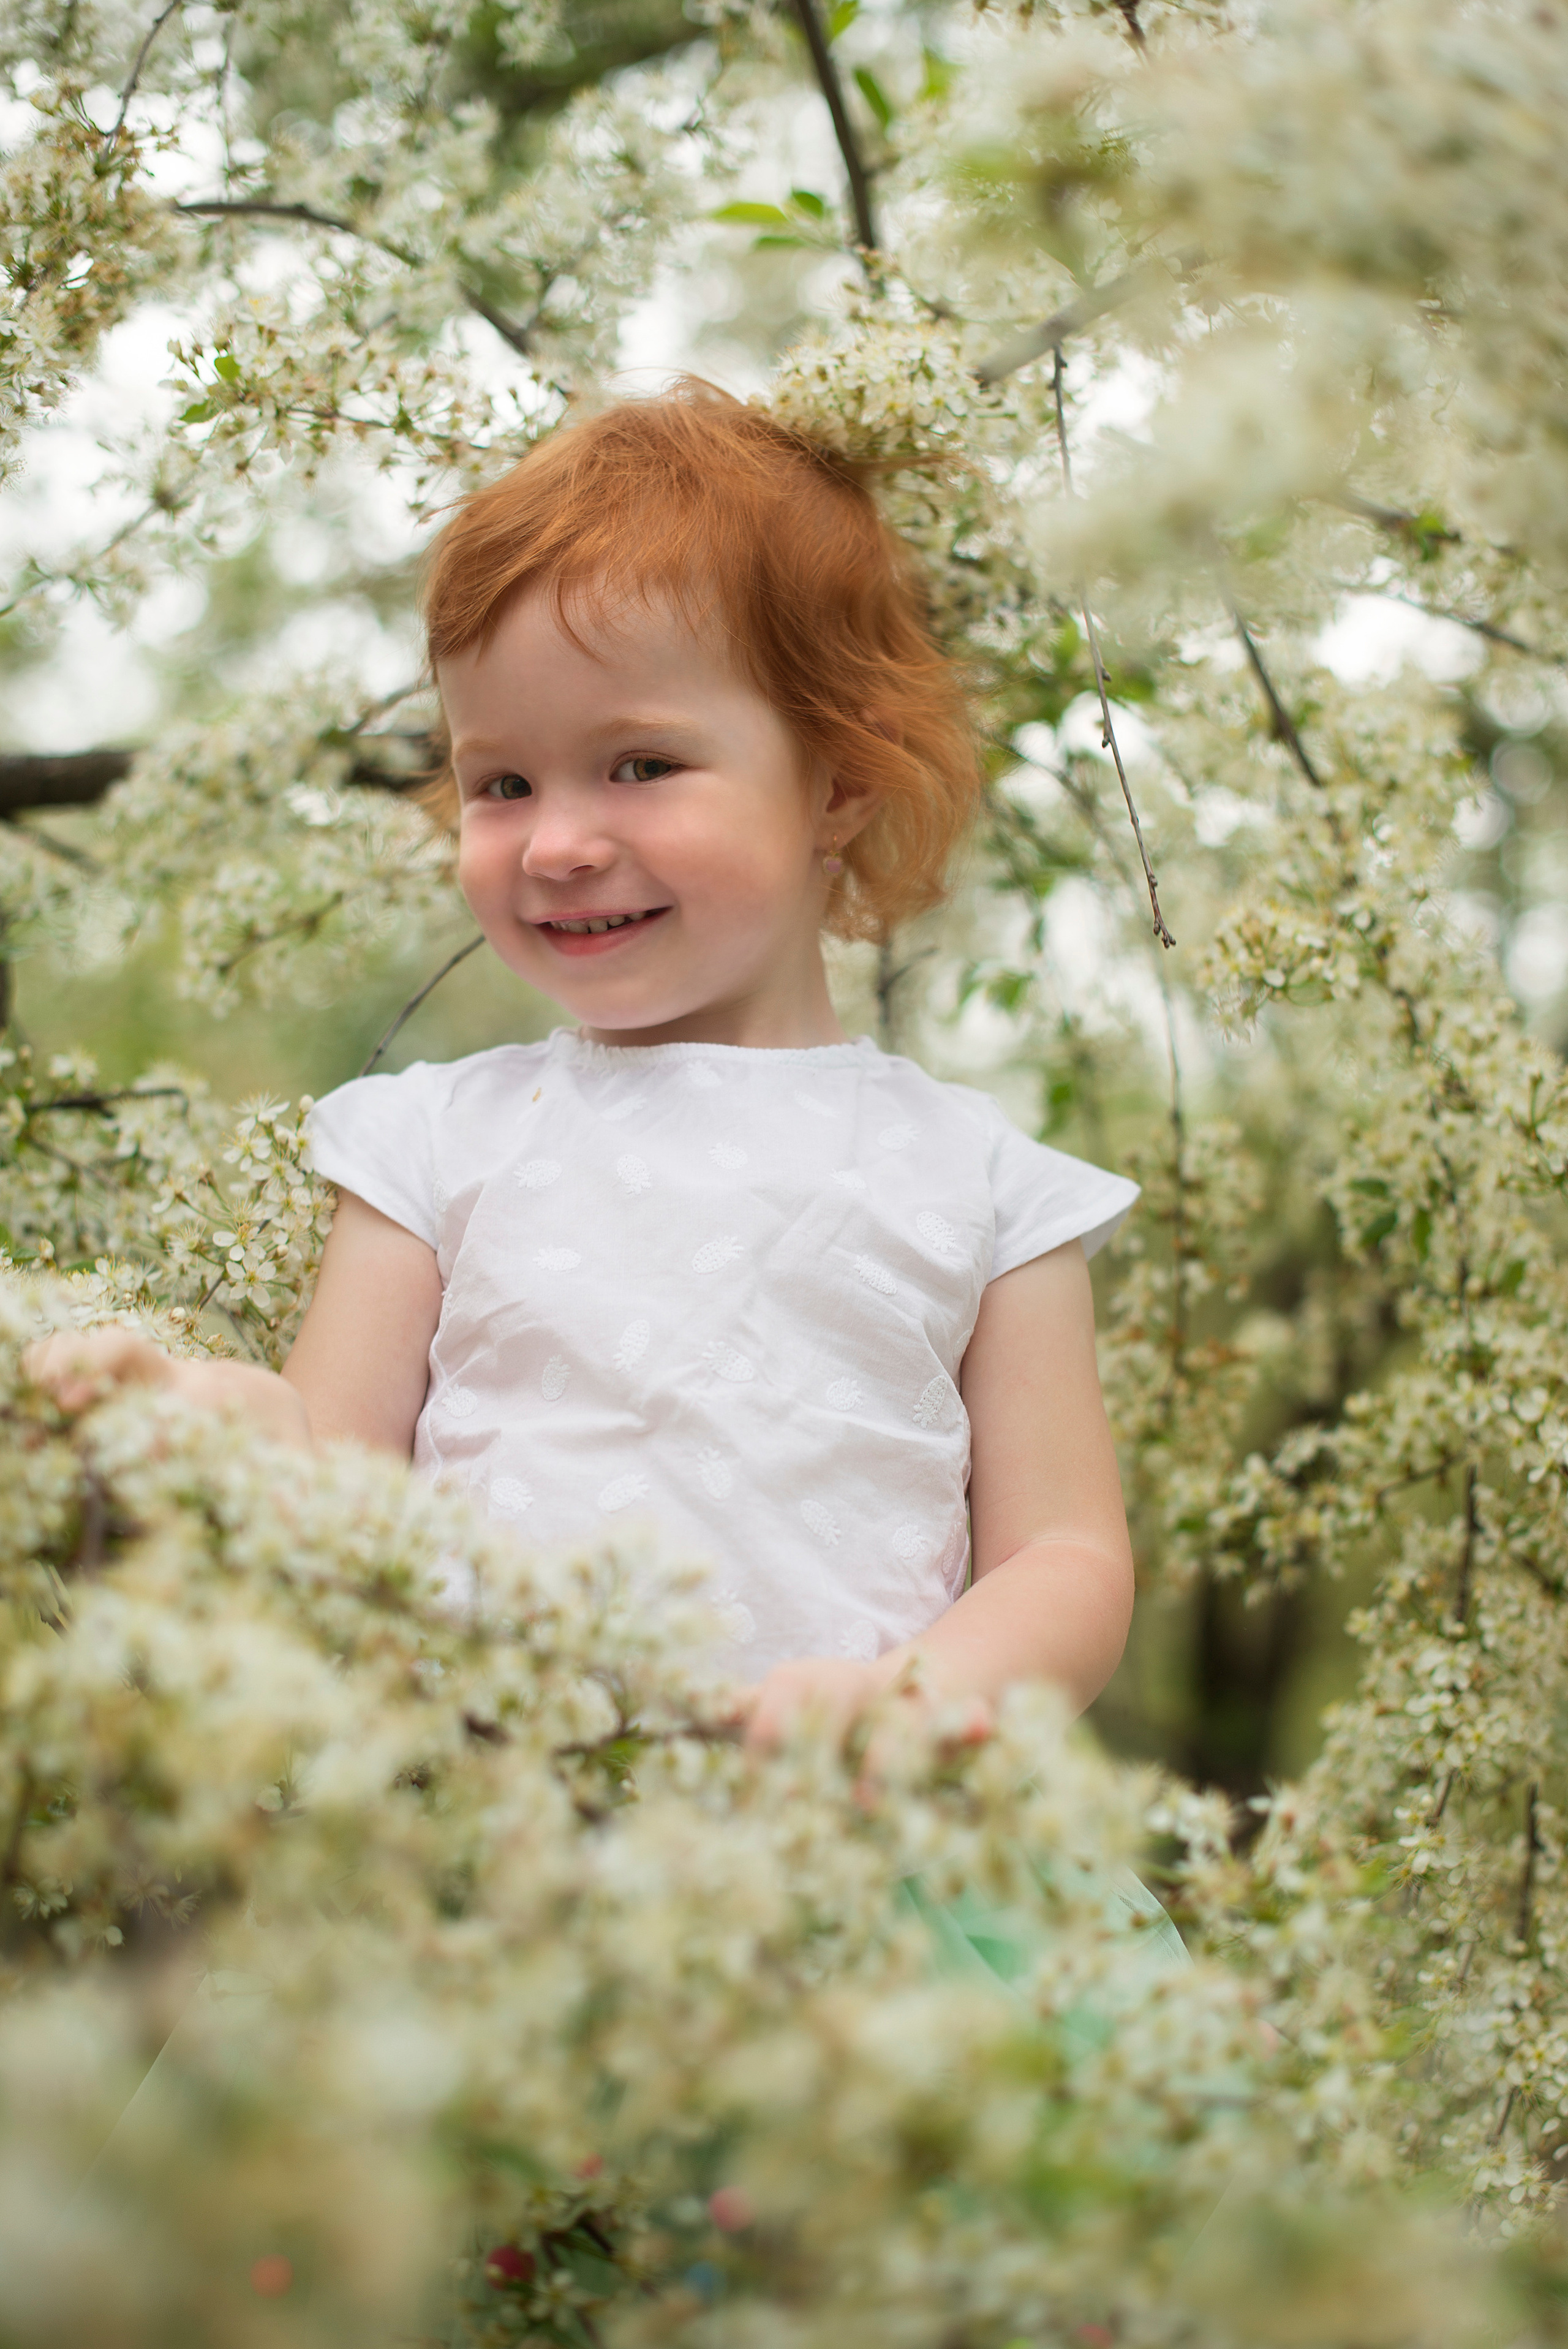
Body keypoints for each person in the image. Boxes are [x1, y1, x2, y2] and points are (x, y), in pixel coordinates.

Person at [28, 382, 1141, 1761]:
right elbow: (332, 1481)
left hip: (840, 1865)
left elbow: (1068, 1560)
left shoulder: (987, 1189)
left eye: (638, 764)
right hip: (495, 1857)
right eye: (501, 784)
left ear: (837, 785)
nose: (554, 843)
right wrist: (210, 1423)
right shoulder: (434, 1144)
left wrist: (913, 1698)